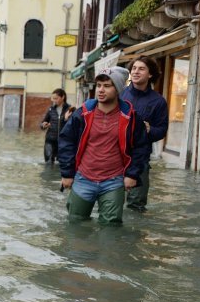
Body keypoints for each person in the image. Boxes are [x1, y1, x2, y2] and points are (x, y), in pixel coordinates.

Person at [58, 67, 151, 226]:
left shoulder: (131, 117)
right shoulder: (83, 113)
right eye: (99, 85)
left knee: (111, 228)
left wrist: (132, 175)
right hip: (83, 178)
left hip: (114, 181)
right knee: (75, 225)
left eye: (107, 86)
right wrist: (67, 173)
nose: (100, 90)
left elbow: (141, 148)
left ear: (118, 89)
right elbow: (66, 142)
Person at [121, 55, 169, 212]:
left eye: (141, 69)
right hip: (114, 158)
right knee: (110, 203)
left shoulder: (158, 101)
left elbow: (162, 130)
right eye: (133, 68)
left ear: (150, 74)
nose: (135, 72)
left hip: (140, 161)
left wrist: (150, 130)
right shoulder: (119, 95)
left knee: (136, 207)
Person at [40, 88, 72, 165]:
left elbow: (72, 126)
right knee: (48, 163)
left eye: (56, 98)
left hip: (63, 142)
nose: (54, 100)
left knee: (62, 164)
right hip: (50, 140)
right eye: (52, 98)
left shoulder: (69, 109)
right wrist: (43, 125)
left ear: (63, 97)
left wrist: (65, 119)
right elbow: (43, 122)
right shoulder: (51, 109)